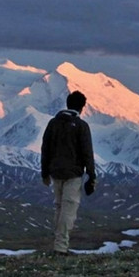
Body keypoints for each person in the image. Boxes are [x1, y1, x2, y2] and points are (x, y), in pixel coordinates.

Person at [41, 90, 97, 255]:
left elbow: (45, 148)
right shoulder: (81, 126)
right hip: (73, 173)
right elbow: (87, 152)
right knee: (69, 208)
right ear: (82, 107)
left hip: (55, 172)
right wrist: (91, 176)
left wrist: (44, 172)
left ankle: (58, 244)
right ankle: (61, 247)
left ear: (67, 104)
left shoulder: (53, 123)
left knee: (59, 207)